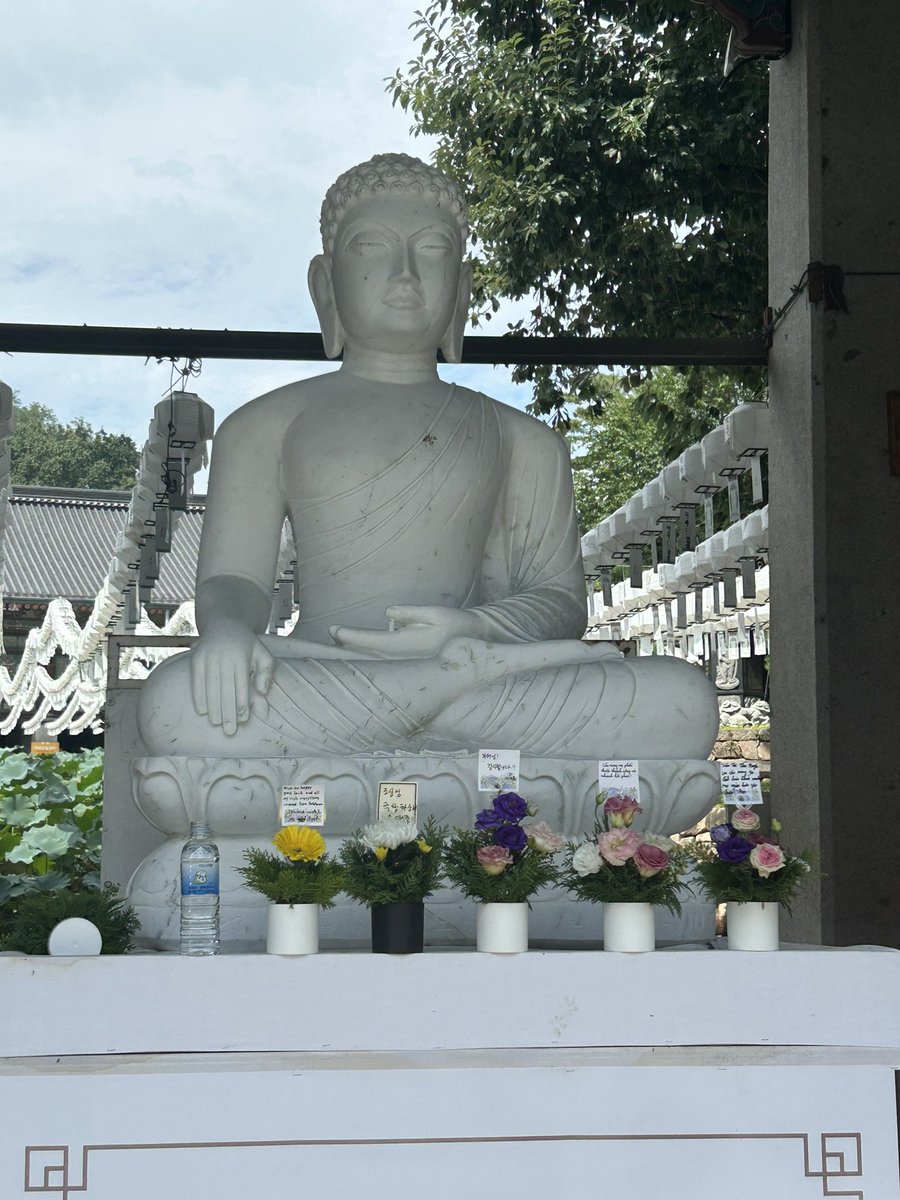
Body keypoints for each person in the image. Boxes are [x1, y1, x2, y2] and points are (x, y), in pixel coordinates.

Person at [138, 153, 717, 760]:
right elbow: (235, 578)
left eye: (433, 249)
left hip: (484, 674)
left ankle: (417, 713)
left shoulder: (523, 438)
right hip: (327, 673)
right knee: (174, 701)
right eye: (371, 248)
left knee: (682, 697)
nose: (406, 273)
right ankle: (442, 714)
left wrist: (480, 628)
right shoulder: (264, 425)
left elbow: (559, 602)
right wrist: (228, 632)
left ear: (462, 286)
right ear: (323, 282)